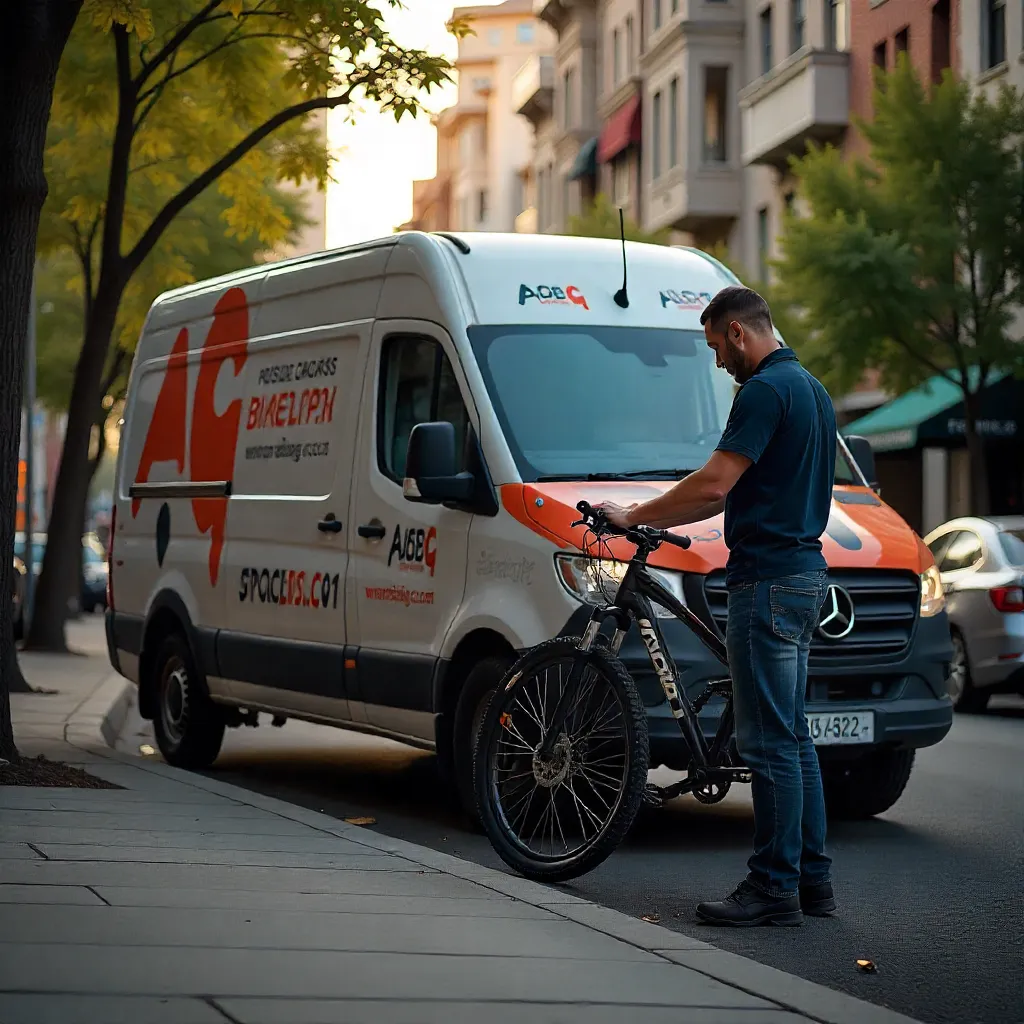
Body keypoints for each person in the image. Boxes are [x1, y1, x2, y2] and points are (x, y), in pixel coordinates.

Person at [596, 285, 837, 927]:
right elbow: (730, 492)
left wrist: (632, 515)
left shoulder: (763, 392)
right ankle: (812, 882)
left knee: (768, 744)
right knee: (793, 736)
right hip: (805, 575)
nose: (718, 362)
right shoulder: (812, 390)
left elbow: (713, 483)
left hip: (767, 579)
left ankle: (772, 888)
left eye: (715, 347)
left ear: (736, 331)